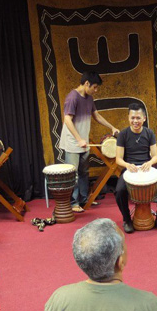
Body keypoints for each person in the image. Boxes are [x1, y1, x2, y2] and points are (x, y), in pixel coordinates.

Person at [59, 72, 119, 213]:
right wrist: (79, 139)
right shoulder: (72, 97)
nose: (96, 90)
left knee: (84, 172)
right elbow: (67, 119)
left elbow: (96, 116)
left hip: (83, 142)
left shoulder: (89, 98)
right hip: (72, 143)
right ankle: (74, 203)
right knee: (73, 174)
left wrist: (111, 126)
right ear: (87, 83)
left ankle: (85, 199)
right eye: (95, 87)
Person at [115, 104, 157, 233]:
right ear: (128, 118)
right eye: (132, 118)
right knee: (119, 191)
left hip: (146, 168)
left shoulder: (149, 133)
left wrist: (150, 162)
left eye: (138, 118)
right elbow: (118, 159)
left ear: (144, 118)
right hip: (130, 169)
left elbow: (155, 156)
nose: (135, 121)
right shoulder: (123, 134)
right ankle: (127, 219)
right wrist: (127, 165)